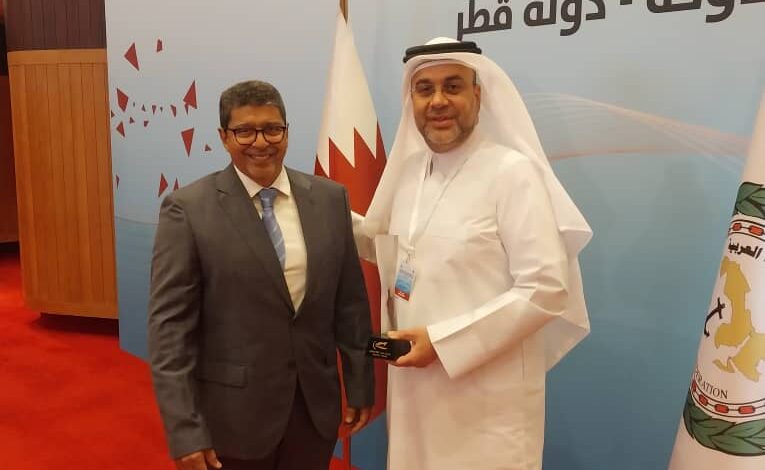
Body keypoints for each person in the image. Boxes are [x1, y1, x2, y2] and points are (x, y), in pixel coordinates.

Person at [356, 38, 593, 469]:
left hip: (487, 403)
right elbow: (389, 248)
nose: (438, 101)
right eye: (425, 89)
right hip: (413, 395)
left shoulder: (512, 173)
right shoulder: (409, 174)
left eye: (453, 86)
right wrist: (308, 208)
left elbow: (545, 288)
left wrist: (442, 343)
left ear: (478, 95)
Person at [148, 80, 374, 470]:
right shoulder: (188, 210)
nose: (261, 142)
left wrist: (359, 384)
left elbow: (349, 304)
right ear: (224, 137)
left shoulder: (329, 199)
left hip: (313, 412)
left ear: (286, 131)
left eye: (272, 129)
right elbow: (170, 331)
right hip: (234, 417)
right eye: (245, 131)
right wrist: (184, 429)